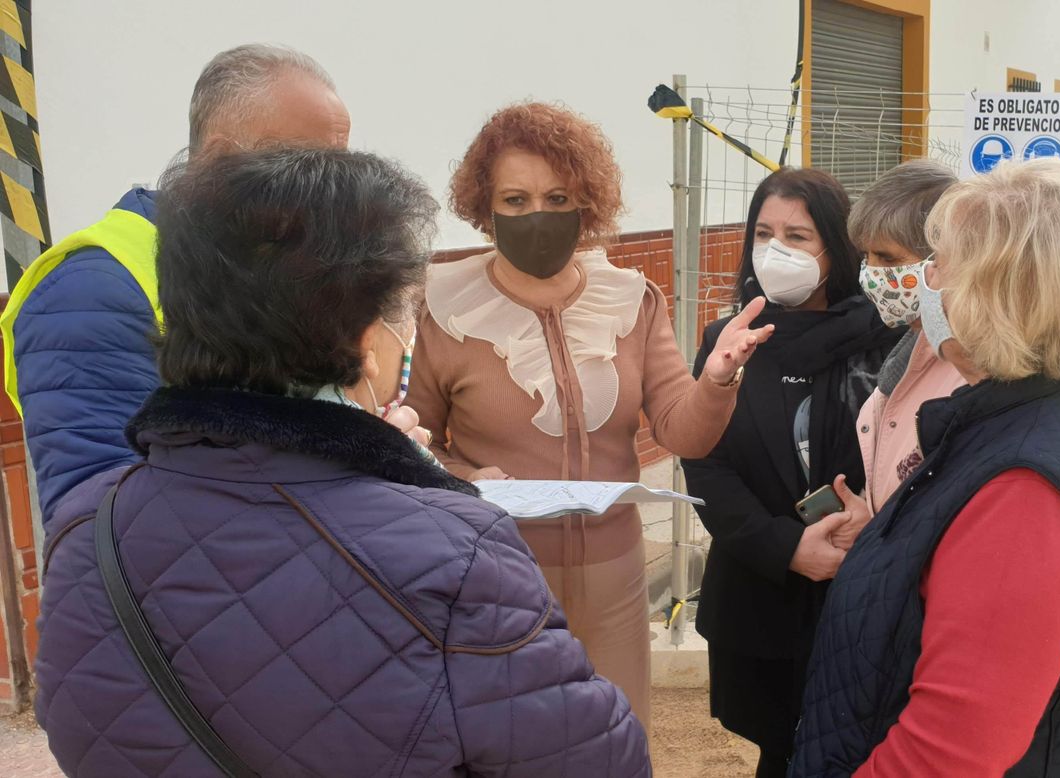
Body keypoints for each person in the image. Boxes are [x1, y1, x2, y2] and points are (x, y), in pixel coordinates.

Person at [32, 148, 649, 776]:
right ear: (364, 341)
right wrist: (417, 483)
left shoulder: (87, 529)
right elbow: (599, 760)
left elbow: (75, 722)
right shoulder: (460, 554)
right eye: (403, 312)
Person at [792, 158, 1060, 776]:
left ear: (1004, 294)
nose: (926, 280)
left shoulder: (1029, 489)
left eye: (941, 262)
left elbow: (945, 755)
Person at [407, 102, 772, 730]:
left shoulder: (630, 300)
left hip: (614, 578)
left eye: (557, 197)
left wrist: (715, 379)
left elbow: (681, 430)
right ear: (484, 206)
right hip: (495, 576)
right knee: (511, 744)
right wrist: (464, 478)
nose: (537, 216)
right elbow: (410, 441)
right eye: (515, 200)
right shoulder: (442, 307)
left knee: (615, 738)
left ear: (588, 203)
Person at [0, 44, 391, 522]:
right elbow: (102, 520)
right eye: (306, 169)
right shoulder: (90, 290)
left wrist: (376, 455)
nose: (334, 197)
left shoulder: (269, 261)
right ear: (221, 159)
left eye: (340, 170)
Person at [682, 168, 902, 777]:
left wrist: (868, 520)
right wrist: (786, 548)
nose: (776, 250)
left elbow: (914, 457)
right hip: (761, 594)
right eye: (763, 232)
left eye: (798, 236)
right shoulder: (728, 341)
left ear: (837, 246)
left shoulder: (888, 340)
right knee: (779, 751)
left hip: (862, 593)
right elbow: (706, 464)